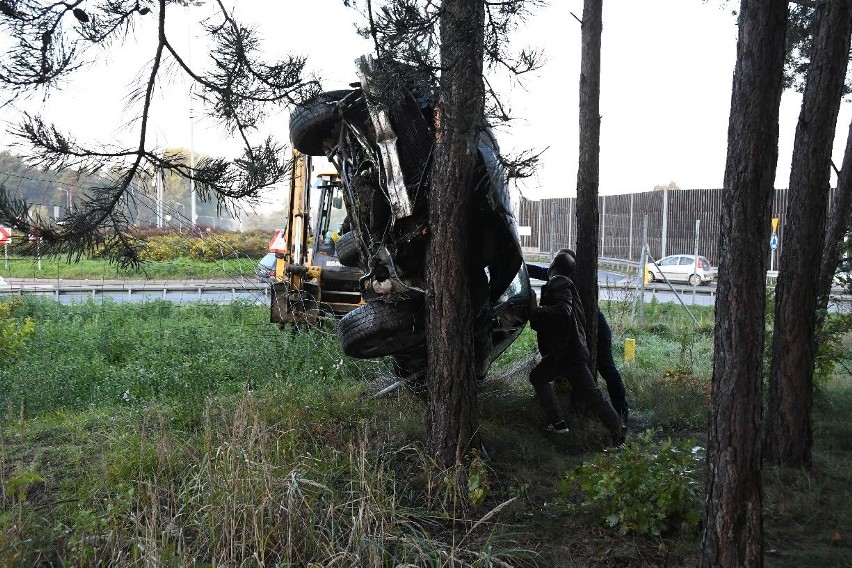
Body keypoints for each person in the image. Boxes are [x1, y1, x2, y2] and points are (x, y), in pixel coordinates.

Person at [527, 252, 624, 446]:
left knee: (592, 395)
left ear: (554, 264)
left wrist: (535, 309)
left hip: (569, 353)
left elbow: (563, 311)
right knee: (538, 377)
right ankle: (558, 422)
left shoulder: (559, 281)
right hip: (565, 352)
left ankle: (618, 433)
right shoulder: (561, 280)